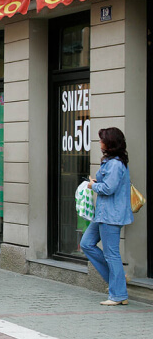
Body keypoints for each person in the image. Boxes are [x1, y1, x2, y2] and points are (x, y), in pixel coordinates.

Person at [80, 127, 134, 306]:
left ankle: (118, 295)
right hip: (103, 213)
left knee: (112, 254)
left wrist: (92, 186)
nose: (100, 143)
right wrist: (96, 183)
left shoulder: (116, 164)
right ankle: (117, 282)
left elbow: (109, 189)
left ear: (110, 143)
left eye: (102, 140)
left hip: (111, 215)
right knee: (86, 243)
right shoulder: (111, 161)